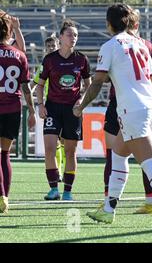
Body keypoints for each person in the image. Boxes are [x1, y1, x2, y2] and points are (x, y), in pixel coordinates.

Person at [74, 3, 152, 227]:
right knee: (119, 154)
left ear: (109, 24)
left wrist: (81, 104)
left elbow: (97, 82)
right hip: (148, 105)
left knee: (149, 162)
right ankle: (108, 209)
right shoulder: (141, 44)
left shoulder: (110, 45)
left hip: (132, 109)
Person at [36, 20, 91, 201]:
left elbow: (89, 86)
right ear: (61, 37)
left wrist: (81, 103)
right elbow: (40, 85)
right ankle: (53, 190)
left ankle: (68, 191)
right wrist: (41, 105)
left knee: (70, 151)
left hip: (72, 110)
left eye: (75, 35)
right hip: (52, 108)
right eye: (69, 35)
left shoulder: (82, 59)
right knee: (50, 149)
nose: (73, 38)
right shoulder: (50, 59)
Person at [0, 13, 35, 213]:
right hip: (13, 108)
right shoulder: (19, 55)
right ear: (9, 31)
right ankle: (5, 197)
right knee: (5, 154)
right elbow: (26, 87)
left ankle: (0, 195)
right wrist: (31, 110)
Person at [31, 35, 66, 178]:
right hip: (51, 107)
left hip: (67, 106)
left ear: (59, 45)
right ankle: (58, 172)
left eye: (53, 46)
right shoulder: (44, 65)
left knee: (65, 142)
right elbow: (33, 85)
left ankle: (63, 171)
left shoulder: (64, 62)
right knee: (55, 142)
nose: (51, 48)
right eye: (48, 47)